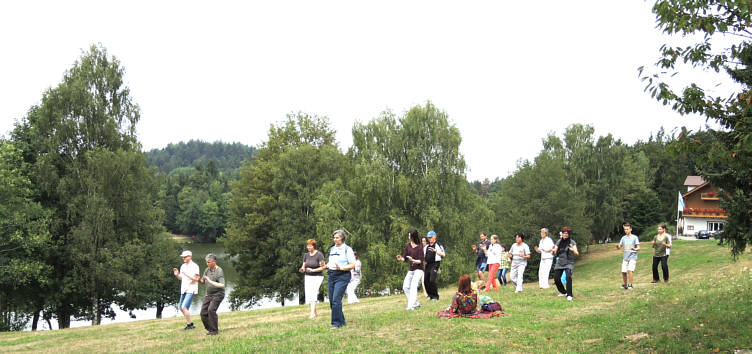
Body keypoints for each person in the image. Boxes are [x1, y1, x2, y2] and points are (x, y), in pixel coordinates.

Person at [326, 229, 356, 329]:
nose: (335, 239)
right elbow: (331, 263)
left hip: (342, 275)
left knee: (336, 300)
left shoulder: (347, 249)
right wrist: (324, 266)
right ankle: (342, 321)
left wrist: (342, 268)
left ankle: (335, 323)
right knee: (332, 301)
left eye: (337, 237)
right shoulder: (332, 249)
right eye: (334, 238)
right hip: (331, 275)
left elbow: (352, 265)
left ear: (342, 238)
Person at [396, 229, 425, 310]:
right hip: (411, 270)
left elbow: (420, 261)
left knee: (413, 286)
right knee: (405, 287)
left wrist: (413, 260)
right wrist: (400, 258)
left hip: (419, 269)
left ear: (413, 236)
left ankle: (410, 306)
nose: (408, 237)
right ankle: (415, 303)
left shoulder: (420, 247)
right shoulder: (408, 246)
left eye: (409, 235)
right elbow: (404, 259)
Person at [172, 250, 200, 330]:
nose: (183, 258)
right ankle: (190, 323)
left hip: (191, 289)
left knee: (184, 307)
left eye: (185, 257)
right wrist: (177, 275)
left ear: (190, 257)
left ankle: (189, 325)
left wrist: (187, 276)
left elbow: (196, 279)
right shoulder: (183, 266)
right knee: (181, 307)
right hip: (184, 288)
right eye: (183, 257)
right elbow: (181, 278)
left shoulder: (195, 266)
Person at [199, 253, 225, 335]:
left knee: (211, 310)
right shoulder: (207, 270)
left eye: (209, 262)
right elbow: (203, 281)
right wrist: (197, 279)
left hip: (218, 294)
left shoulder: (219, 271)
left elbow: (222, 285)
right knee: (203, 313)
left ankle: (214, 330)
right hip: (208, 295)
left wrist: (209, 281)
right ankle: (210, 329)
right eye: (206, 262)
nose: (207, 264)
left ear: (214, 262)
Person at [298, 239, 325, 319]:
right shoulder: (306, 255)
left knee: (313, 293)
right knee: (309, 294)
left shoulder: (319, 255)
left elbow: (323, 267)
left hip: (317, 276)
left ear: (314, 246)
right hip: (308, 276)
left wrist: (313, 270)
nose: (308, 247)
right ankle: (315, 313)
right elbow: (303, 266)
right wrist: (302, 269)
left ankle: (312, 313)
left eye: (310, 246)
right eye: (308, 246)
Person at [552, 227, 579, 301]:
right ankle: (564, 292)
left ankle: (569, 295)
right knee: (556, 279)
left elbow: (577, 253)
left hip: (568, 262)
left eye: (566, 233)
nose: (565, 234)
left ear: (569, 234)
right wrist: (553, 251)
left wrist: (573, 250)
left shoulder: (572, 242)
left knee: (568, 277)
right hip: (560, 262)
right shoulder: (559, 242)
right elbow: (555, 251)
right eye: (563, 233)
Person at [616, 223, 640, 290]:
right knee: (623, 271)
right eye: (625, 229)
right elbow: (619, 247)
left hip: (633, 256)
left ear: (631, 229)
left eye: (627, 229)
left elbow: (639, 248)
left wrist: (634, 249)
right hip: (625, 257)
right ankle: (625, 285)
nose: (626, 230)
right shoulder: (623, 238)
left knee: (630, 270)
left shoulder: (635, 237)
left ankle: (630, 285)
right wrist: (617, 247)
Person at [423, 230, 446, 300]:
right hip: (428, 264)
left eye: (431, 237)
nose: (429, 239)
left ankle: (435, 296)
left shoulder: (438, 245)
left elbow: (443, 254)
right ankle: (430, 296)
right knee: (425, 281)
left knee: (432, 280)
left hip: (435, 264)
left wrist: (435, 251)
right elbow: (422, 256)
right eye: (428, 238)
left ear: (434, 237)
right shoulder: (426, 246)